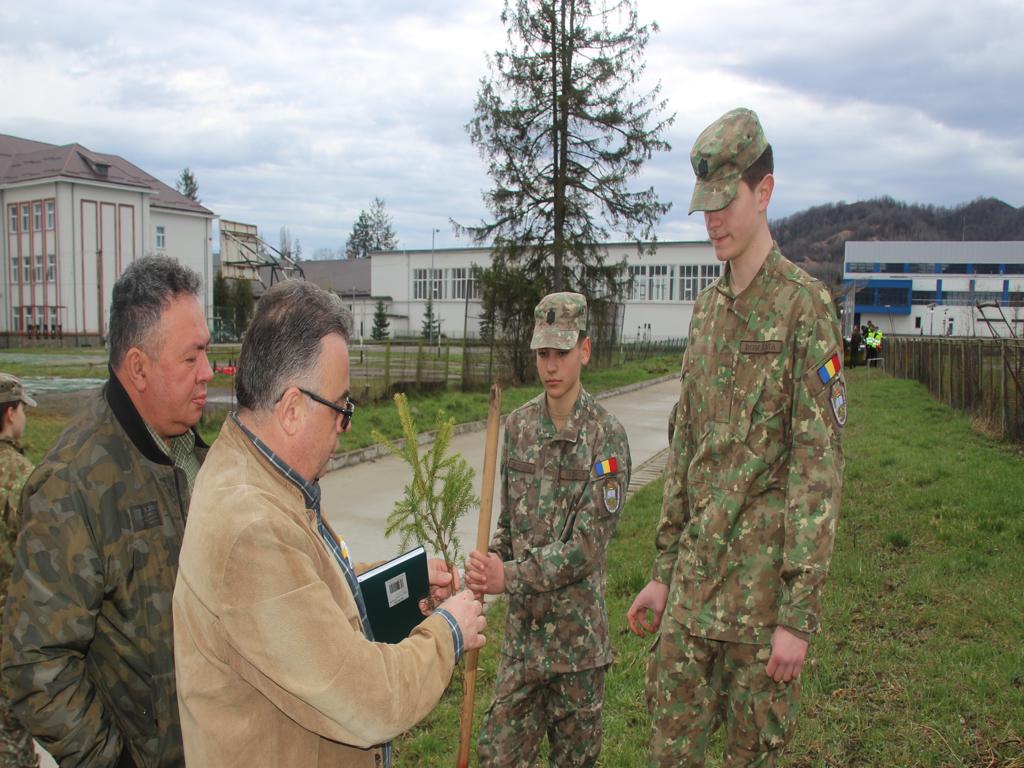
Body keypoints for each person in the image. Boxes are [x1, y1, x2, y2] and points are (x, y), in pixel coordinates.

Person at [172, 280, 486, 768]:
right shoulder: (251, 528)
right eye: (341, 409)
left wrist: (399, 584)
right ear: (293, 409)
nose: (346, 425)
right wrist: (450, 631)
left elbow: (302, 596)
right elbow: (370, 702)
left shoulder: (259, 476)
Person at [626, 107, 845, 766]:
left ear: (764, 191)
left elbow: (817, 472)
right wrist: (663, 573)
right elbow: (686, 451)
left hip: (760, 608)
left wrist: (797, 616)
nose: (712, 220)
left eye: (726, 203)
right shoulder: (706, 314)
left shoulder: (805, 309)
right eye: (705, 206)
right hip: (692, 597)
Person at [2, 256, 213, 768]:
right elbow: (35, 665)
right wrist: (111, 761)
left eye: (206, 352)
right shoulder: (72, 486)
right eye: (191, 358)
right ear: (138, 368)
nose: (208, 372)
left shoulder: (194, 454)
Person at [466, 292, 631, 767]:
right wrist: (488, 564)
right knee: (496, 757)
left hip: (577, 649)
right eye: (543, 353)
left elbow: (586, 547)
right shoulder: (517, 428)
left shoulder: (606, 436)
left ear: (585, 350)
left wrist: (509, 576)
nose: (551, 366)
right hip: (522, 645)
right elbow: (509, 527)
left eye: (562, 352)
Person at [0, 374, 38, 768]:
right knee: (12, 741)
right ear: (11, 413)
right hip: (9, 635)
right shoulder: (23, 477)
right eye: (22, 409)